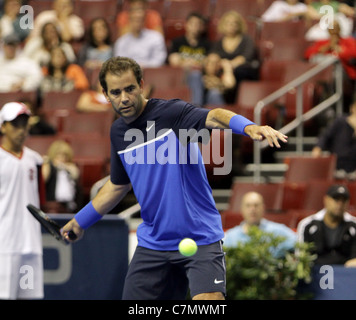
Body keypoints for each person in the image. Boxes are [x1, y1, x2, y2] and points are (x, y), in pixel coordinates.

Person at [61, 56, 288, 300]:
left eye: (129, 89)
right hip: (154, 243)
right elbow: (118, 185)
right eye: (116, 92)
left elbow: (214, 116)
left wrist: (249, 127)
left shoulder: (171, 113)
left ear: (141, 85)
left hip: (199, 237)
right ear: (105, 95)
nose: (124, 98)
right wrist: (79, 221)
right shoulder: (118, 132)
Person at [0, 102, 45, 299]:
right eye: (15, 124)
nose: (21, 130)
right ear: (3, 126)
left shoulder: (35, 160)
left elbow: (41, 202)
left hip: (31, 247)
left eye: (24, 124)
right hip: (3, 247)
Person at [297, 184, 356, 267]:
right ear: (326, 200)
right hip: (315, 276)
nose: (340, 204)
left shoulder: (354, 226)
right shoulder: (308, 224)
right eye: (336, 199)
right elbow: (300, 258)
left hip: (346, 276)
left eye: (344, 200)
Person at [224, 191, 297, 258]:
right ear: (241, 209)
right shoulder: (230, 236)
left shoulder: (278, 230)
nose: (252, 209)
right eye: (248, 205)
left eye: (256, 205)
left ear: (263, 208)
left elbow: (299, 244)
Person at [304, 19, 356, 112]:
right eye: (331, 29)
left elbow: (353, 53)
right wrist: (327, 47)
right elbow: (308, 54)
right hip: (325, 76)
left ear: (339, 29)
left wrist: (339, 50)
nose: (334, 31)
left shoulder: (348, 41)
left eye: (336, 28)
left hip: (346, 77)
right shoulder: (323, 43)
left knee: (335, 70)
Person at [211, 10, 260, 104]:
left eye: (234, 23)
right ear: (223, 25)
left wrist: (229, 65)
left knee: (239, 71)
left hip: (243, 73)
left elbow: (246, 56)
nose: (231, 26)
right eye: (228, 23)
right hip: (223, 74)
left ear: (239, 25)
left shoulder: (247, 39)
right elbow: (213, 57)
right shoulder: (218, 42)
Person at [311, 100, 356, 180]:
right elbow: (325, 135)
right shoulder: (340, 121)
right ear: (352, 108)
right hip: (338, 165)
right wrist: (318, 148)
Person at [42, 140, 81, 213]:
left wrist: (64, 167)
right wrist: (47, 163)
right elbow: (43, 179)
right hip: (52, 204)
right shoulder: (48, 166)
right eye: (58, 154)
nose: (62, 158)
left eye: (65, 155)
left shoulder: (71, 167)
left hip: (68, 205)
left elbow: (75, 175)